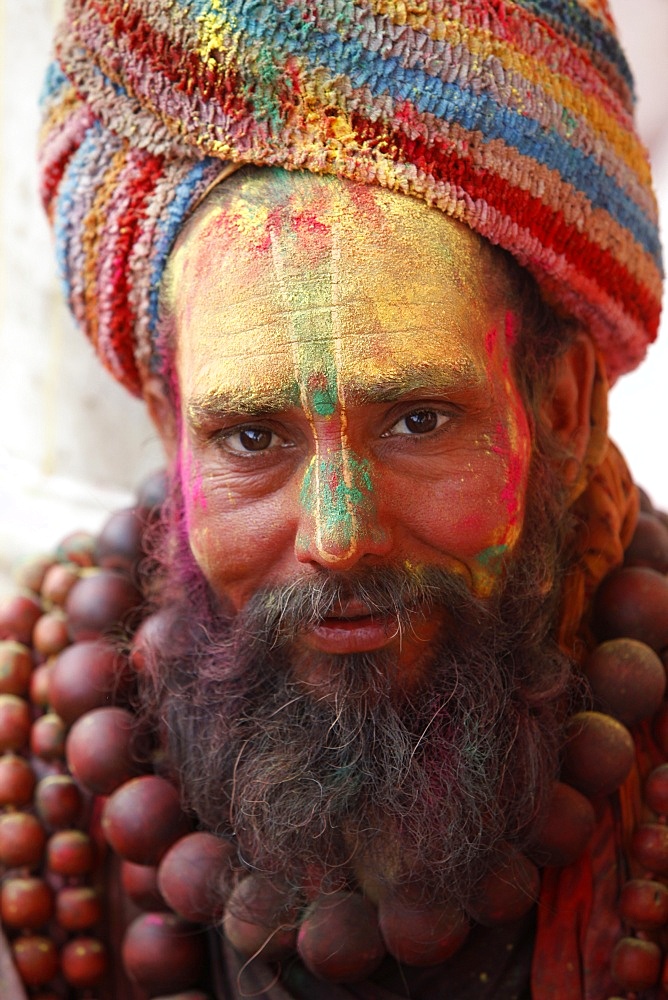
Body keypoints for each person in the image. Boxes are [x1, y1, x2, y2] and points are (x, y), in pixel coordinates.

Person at [0, 0, 667, 997]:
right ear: (166, 426)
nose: (337, 536)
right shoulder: (28, 724)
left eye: (417, 422)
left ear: (564, 407)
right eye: (252, 437)